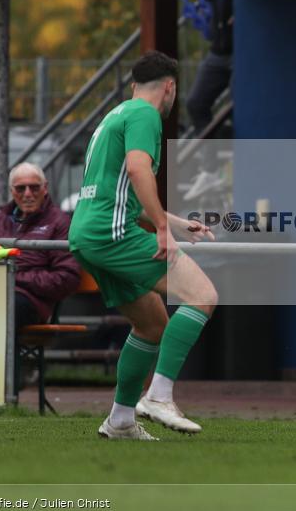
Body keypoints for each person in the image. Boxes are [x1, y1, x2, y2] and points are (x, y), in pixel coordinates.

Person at [69, 51, 217, 441]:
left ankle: (119, 421)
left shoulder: (114, 115)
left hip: (87, 234)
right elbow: (137, 169)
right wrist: (163, 233)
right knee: (202, 295)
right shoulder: (146, 116)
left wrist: (173, 223)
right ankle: (159, 397)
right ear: (169, 87)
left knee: (152, 324)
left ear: (135, 84)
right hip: (112, 233)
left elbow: (116, 190)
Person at [0, 162, 80, 328]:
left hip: (31, 302)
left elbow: (67, 278)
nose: (28, 194)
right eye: (21, 188)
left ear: (45, 188)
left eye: (34, 188)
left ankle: (3, 355)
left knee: (3, 310)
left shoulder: (60, 222)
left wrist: (14, 277)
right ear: (11, 191)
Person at [185, 0, 233, 135]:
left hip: (243, 51)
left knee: (238, 105)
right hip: (219, 50)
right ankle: (214, 151)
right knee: (195, 103)